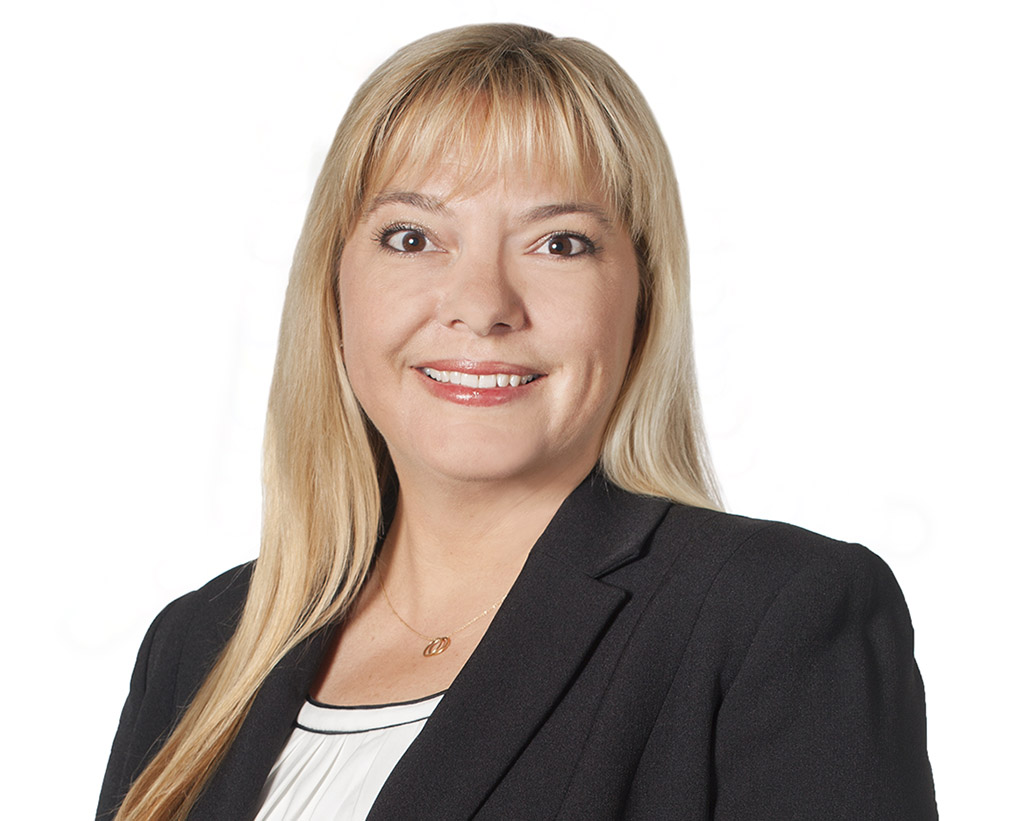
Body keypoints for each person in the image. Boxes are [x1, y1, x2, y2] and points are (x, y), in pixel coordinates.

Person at [97, 23, 937, 821]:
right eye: (413, 237)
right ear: (333, 283)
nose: (482, 304)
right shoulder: (198, 645)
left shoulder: (772, 616)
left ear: (642, 298)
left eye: (559, 243)